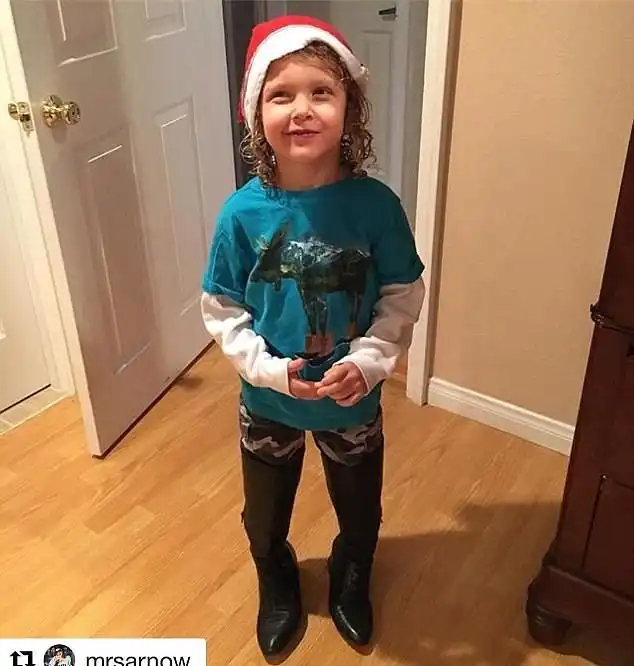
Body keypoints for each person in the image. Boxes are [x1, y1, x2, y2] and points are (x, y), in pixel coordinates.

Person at [201, 14, 425, 657]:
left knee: (359, 506)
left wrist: (372, 360)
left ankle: (352, 572)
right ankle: (275, 576)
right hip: (268, 400)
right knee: (264, 510)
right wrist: (268, 370)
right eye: (281, 95)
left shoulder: (376, 206)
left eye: (320, 92)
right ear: (257, 114)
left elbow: (401, 294)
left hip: (352, 400)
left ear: (349, 108)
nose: (301, 109)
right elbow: (223, 308)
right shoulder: (242, 214)